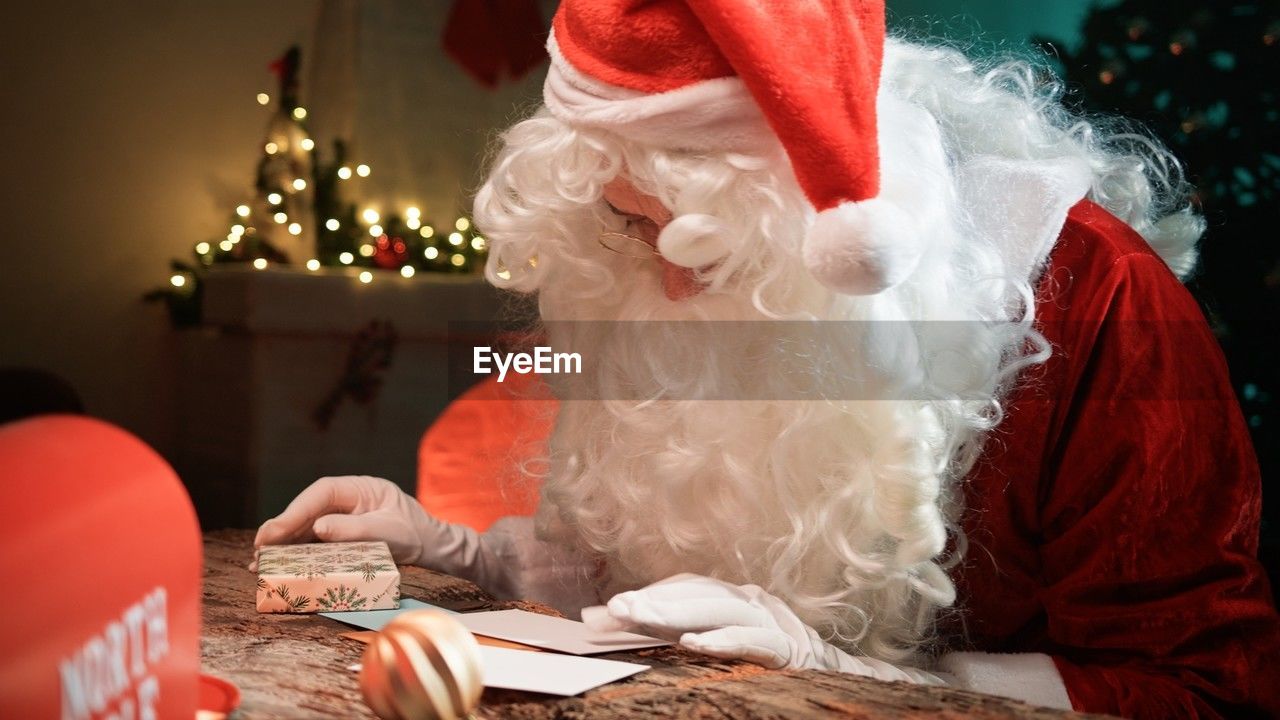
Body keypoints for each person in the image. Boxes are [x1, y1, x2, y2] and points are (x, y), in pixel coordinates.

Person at [254, 1, 1280, 716]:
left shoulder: (1100, 304)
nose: (656, 281)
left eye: (703, 247)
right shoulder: (638, 273)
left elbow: (1200, 692)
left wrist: (847, 678)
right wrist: (459, 549)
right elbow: (655, 594)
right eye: (622, 226)